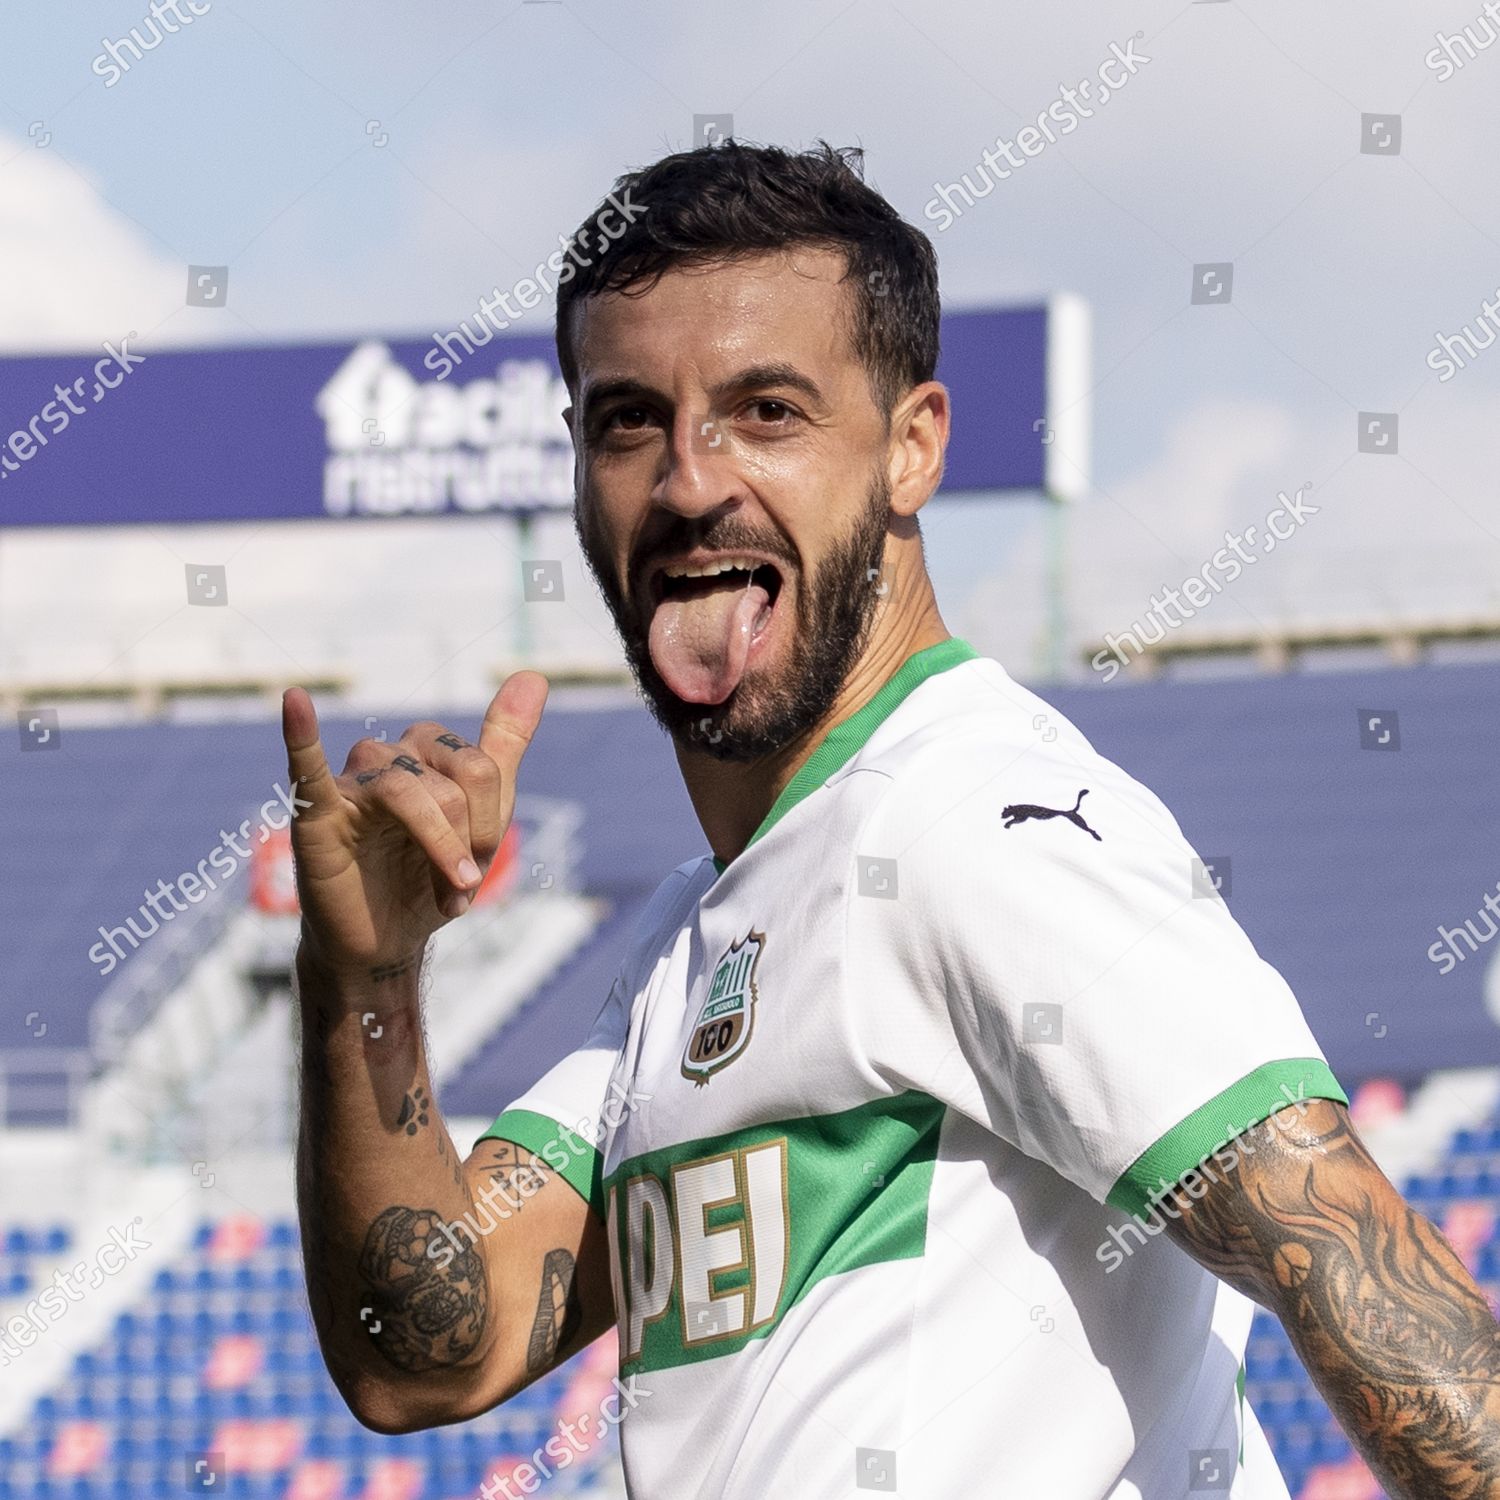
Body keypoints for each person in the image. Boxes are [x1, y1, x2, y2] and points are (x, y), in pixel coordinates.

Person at [285, 141, 1500, 1498]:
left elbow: (1359, 1273)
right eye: (631, 419)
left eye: (768, 412)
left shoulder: (976, 823)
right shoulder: (692, 937)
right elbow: (425, 1351)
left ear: (912, 447)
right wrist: (364, 983)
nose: (691, 482)